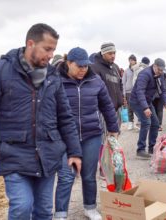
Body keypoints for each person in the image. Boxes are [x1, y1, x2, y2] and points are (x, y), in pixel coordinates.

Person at [0, 23, 82, 220]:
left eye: (53, 50)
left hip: (48, 155)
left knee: (43, 211)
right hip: (14, 153)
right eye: (47, 49)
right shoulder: (0, 71)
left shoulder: (53, 76)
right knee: (22, 206)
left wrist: (74, 152)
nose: (50, 55)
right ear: (31, 43)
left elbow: (65, 117)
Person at [54, 47, 119, 220]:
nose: (83, 69)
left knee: (89, 175)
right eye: (79, 66)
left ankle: (90, 208)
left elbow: (106, 106)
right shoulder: (56, 81)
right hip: (66, 138)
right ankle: (60, 213)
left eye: (86, 66)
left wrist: (113, 128)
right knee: (66, 176)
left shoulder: (95, 81)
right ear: (68, 63)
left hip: (91, 136)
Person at [130, 58, 166, 159]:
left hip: (147, 101)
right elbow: (140, 91)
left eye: (162, 70)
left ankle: (152, 148)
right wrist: (145, 107)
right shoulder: (145, 74)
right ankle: (140, 149)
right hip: (137, 101)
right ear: (154, 66)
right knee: (146, 122)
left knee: (156, 124)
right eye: (159, 70)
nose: (161, 72)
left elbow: (164, 90)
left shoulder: (161, 75)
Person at [90, 42, 124, 114]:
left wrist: (121, 97)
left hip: (117, 109)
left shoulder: (115, 67)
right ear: (103, 53)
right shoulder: (95, 67)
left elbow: (120, 83)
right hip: (103, 111)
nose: (113, 56)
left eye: (114, 53)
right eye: (110, 53)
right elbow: (94, 89)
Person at [122, 54, 137, 130]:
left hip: (137, 91)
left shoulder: (137, 69)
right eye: (130, 60)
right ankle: (130, 123)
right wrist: (124, 93)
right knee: (130, 107)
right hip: (128, 91)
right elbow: (123, 82)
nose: (131, 62)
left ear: (135, 61)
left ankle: (139, 122)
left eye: (132, 60)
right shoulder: (126, 71)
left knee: (137, 107)